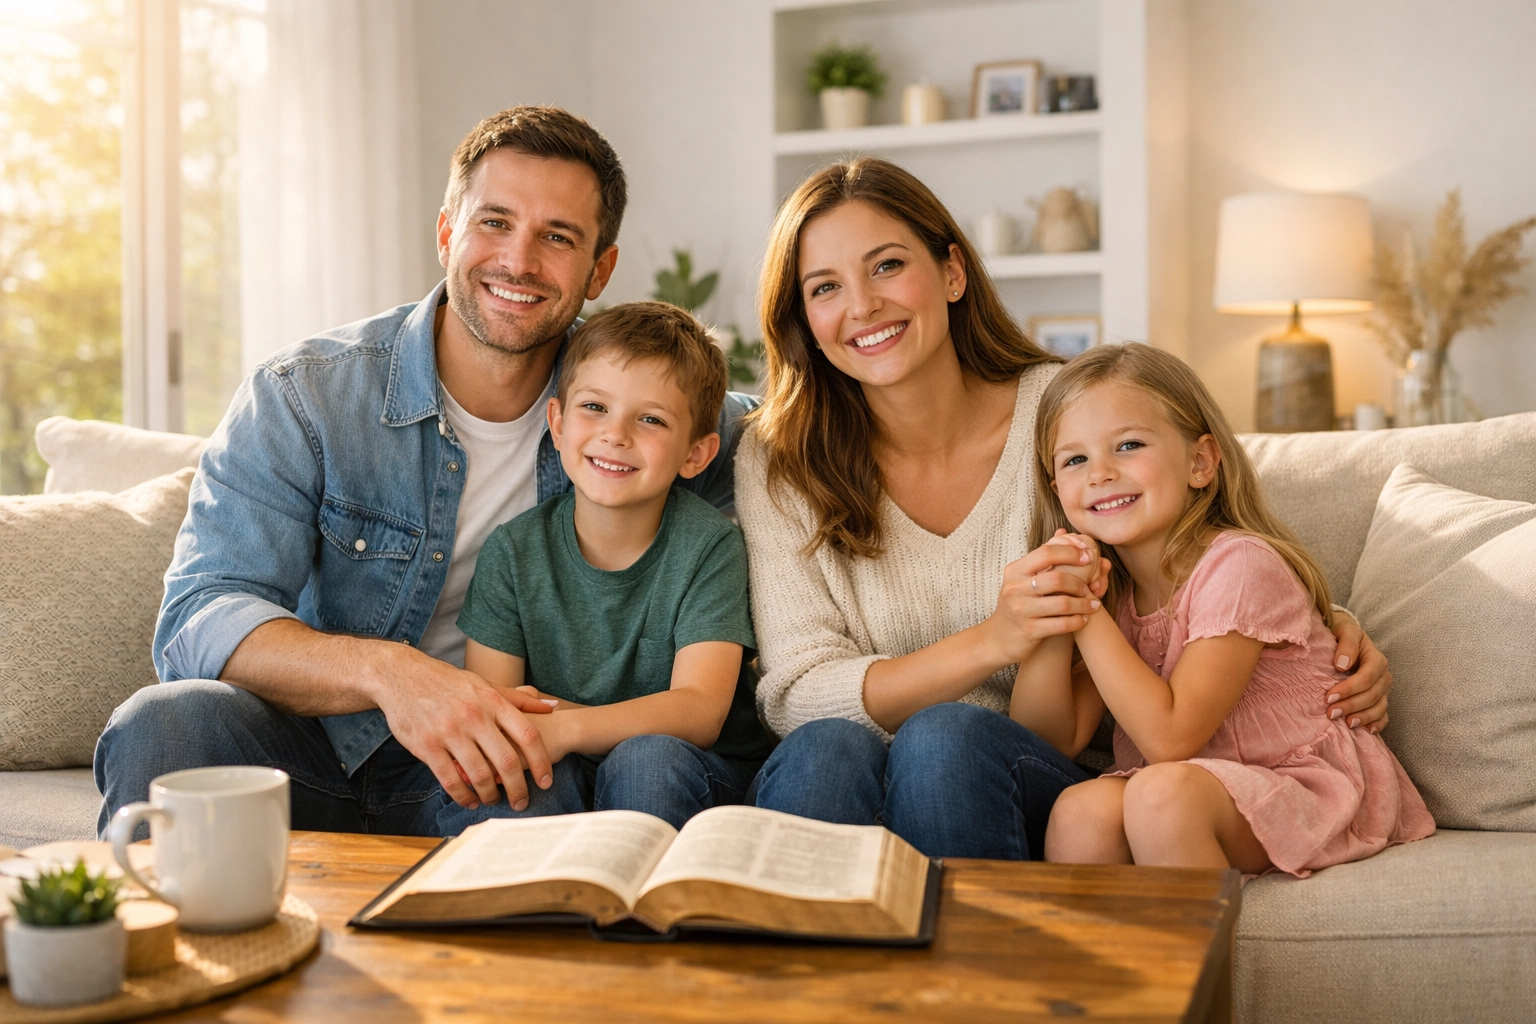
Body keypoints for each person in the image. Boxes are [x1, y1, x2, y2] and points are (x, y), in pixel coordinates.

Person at [95, 106, 757, 838]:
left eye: (558, 237)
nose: (519, 261)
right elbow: (198, 618)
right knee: (163, 724)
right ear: (446, 233)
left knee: (536, 788)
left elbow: (800, 430)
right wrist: (392, 674)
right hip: (311, 748)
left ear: (601, 268)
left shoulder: (631, 411)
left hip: (489, 766)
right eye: (494, 222)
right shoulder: (305, 396)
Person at [738, 156, 1396, 860]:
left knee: (943, 737)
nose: (863, 305)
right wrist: (993, 641)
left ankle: (970, 937)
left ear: (953, 273)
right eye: (825, 287)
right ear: (804, 319)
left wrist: (1328, 622)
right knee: (824, 750)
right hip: (857, 768)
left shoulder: (1064, 415)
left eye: (888, 266)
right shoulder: (778, 460)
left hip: (1030, 772)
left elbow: (1187, 556)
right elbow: (795, 695)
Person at [1019, 344, 1433, 874]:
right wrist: (1058, 608)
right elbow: (1047, 740)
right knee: (1080, 810)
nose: (1099, 473)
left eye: (1128, 445)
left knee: (1161, 797)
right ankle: (1103, 937)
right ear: (1057, 489)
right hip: (1193, 786)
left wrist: (1088, 610)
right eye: (1075, 459)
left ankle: (1194, 934)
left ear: (1200, 462)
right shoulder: (1113, 590)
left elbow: (1171, 739)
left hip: (1302, 782)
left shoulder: (1238, 565)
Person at [444, 302, 774, 833]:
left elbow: (698, 713)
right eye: (595, 407)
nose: (615, 434)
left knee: (645, 760)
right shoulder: (512, 551)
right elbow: (498, 710)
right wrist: (566, 735)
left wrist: (567, 728)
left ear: (696, 454)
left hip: (690, 774)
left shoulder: (710, 546)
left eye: (651, 419)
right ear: (557, 423)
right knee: (522, 777)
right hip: (563, 766)